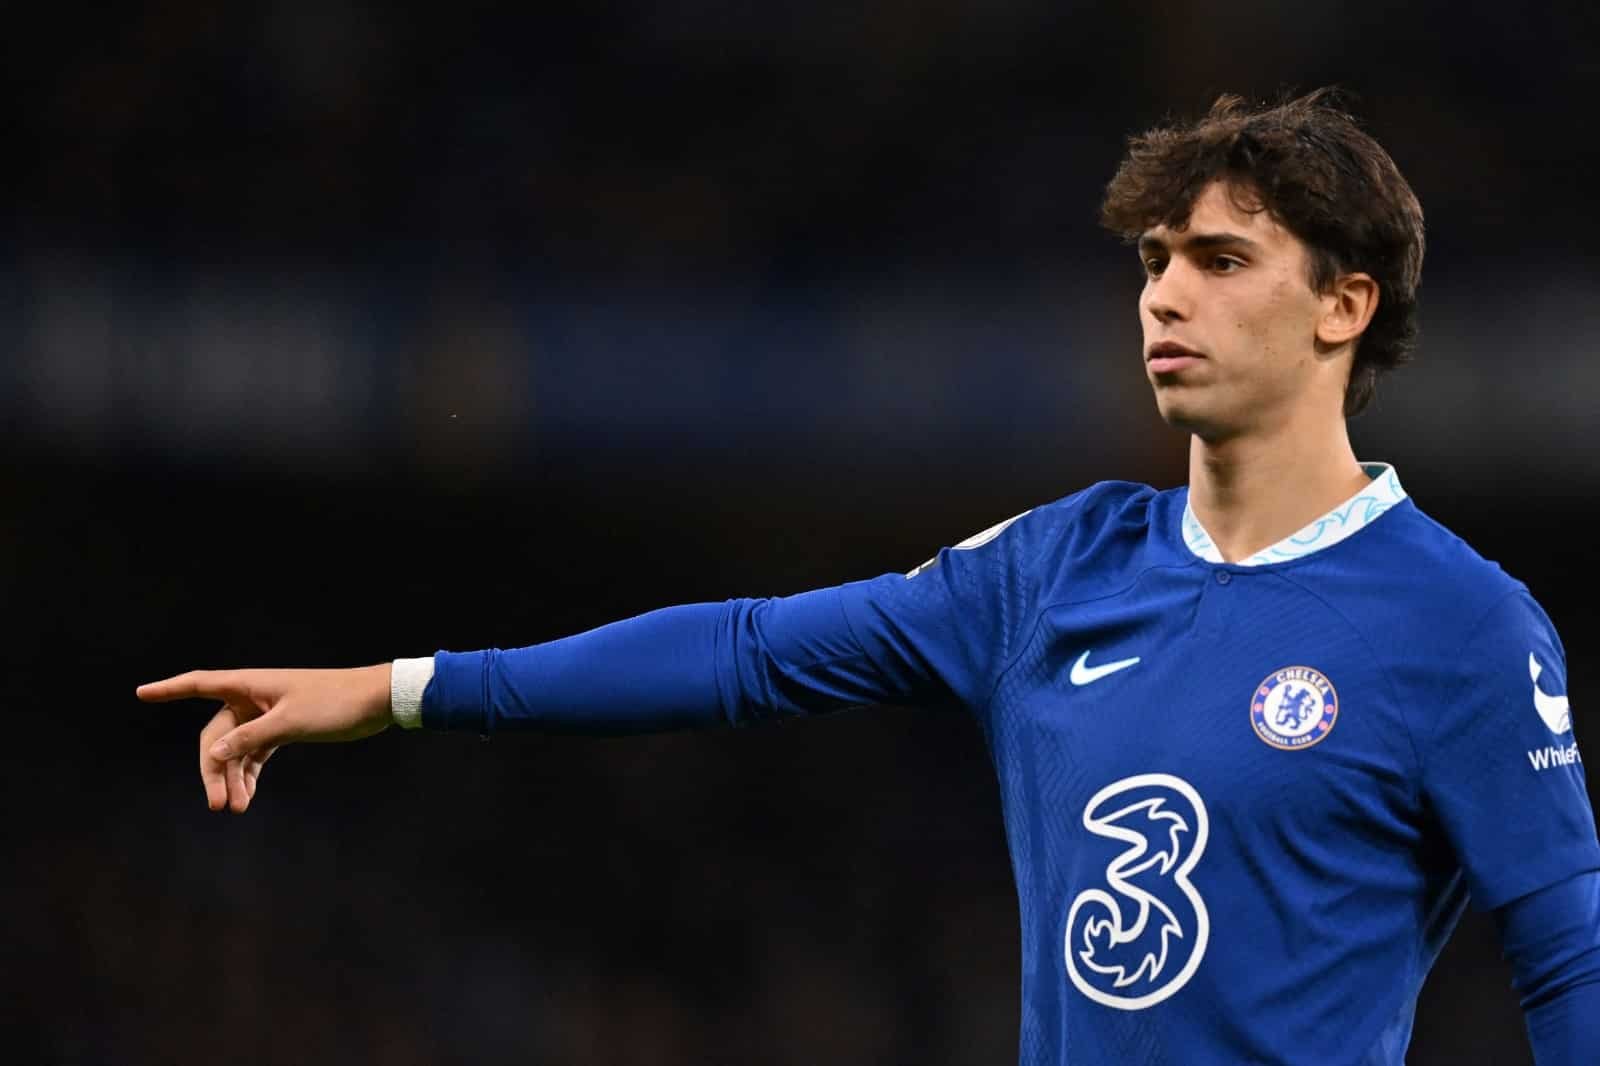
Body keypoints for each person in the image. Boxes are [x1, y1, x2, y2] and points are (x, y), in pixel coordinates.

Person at [139, 90, 1600, 1064]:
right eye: (1156, 258)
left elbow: (1570, 962)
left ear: (1346, 304)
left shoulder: (1459, 624)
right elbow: (752, 650)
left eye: (1222, 259)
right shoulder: (1054, 568)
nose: (1164, 291)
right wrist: (403, 690)